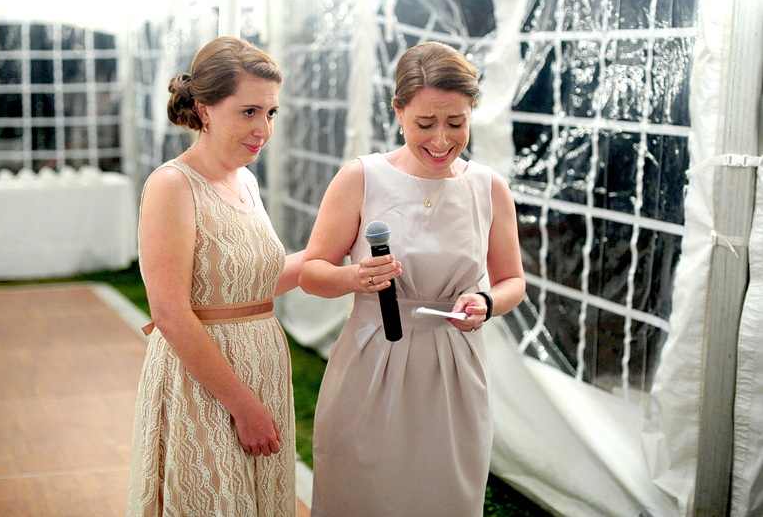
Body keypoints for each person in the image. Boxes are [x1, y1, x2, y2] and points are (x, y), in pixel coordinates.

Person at [299, 41, 526, 517]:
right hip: (370, 362)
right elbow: (312, 273)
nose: (441, 140)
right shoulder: (361, 177)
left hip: (455, 375)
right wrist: (355, 277)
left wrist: (487, 301)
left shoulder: (489, 188)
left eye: (456, 123)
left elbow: (513, 281)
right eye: (425, 123)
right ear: (398, 111)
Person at [127, 36, 302, 517]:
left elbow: (249, 282)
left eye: (271, 113)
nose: (263, 129)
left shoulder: (245, 179)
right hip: (203, 382)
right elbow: (168, 311)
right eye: (249, 112)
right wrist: (243, 406)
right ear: (204, 110)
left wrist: (344, 268)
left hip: (262, 365)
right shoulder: (171, 185)